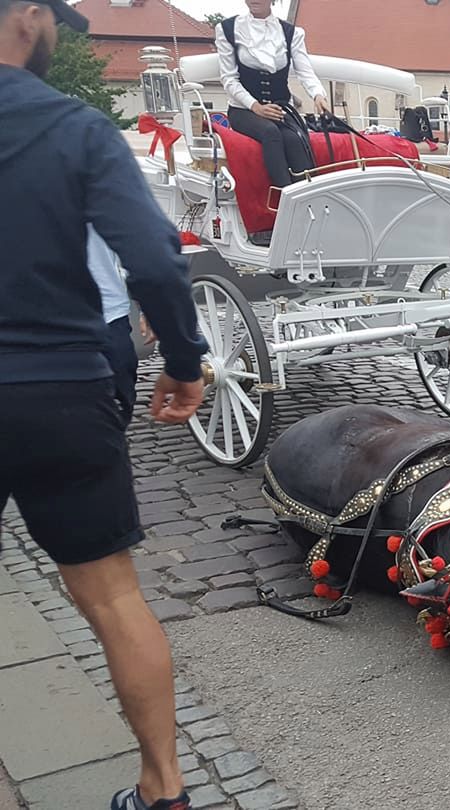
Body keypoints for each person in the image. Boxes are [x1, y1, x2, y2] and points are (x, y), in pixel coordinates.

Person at [1, 2, 209, 809]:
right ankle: (164, 790)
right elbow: (154, 258)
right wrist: (185, 364)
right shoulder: (74, 127)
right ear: (25, 17)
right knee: (113, 597)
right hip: (59, 384)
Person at [215, 0, 328, 190]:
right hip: (244, 110)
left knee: (295, 138)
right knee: (270, 133)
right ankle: (285, 195)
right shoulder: (228, 29)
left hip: (279, 108)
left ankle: (309, 195)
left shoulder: (291, 32)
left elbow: (304, 71)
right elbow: (229, 79)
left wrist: (318, 95)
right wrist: (256, 106)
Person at [87, 225, 140, 423]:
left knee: (121, 385)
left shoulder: (100, 194)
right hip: (45, 320)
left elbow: (132, 247)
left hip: (109, 312)